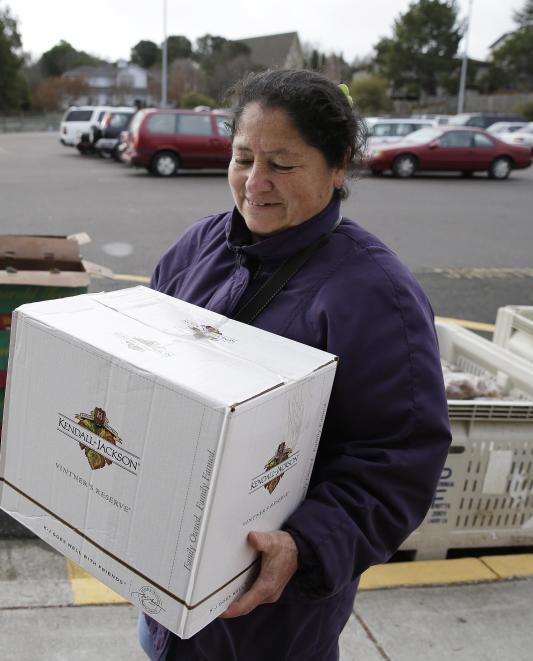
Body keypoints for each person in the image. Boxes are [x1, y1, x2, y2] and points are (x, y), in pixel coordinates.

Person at [141, 69, 453, 660]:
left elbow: (398, 459)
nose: (255, 183)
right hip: (163, 593)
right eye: (241, 158)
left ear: (338, 167)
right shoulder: (197, 247)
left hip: (269, 620)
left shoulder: (376, 293)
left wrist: (305, 546)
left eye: (282, 165)